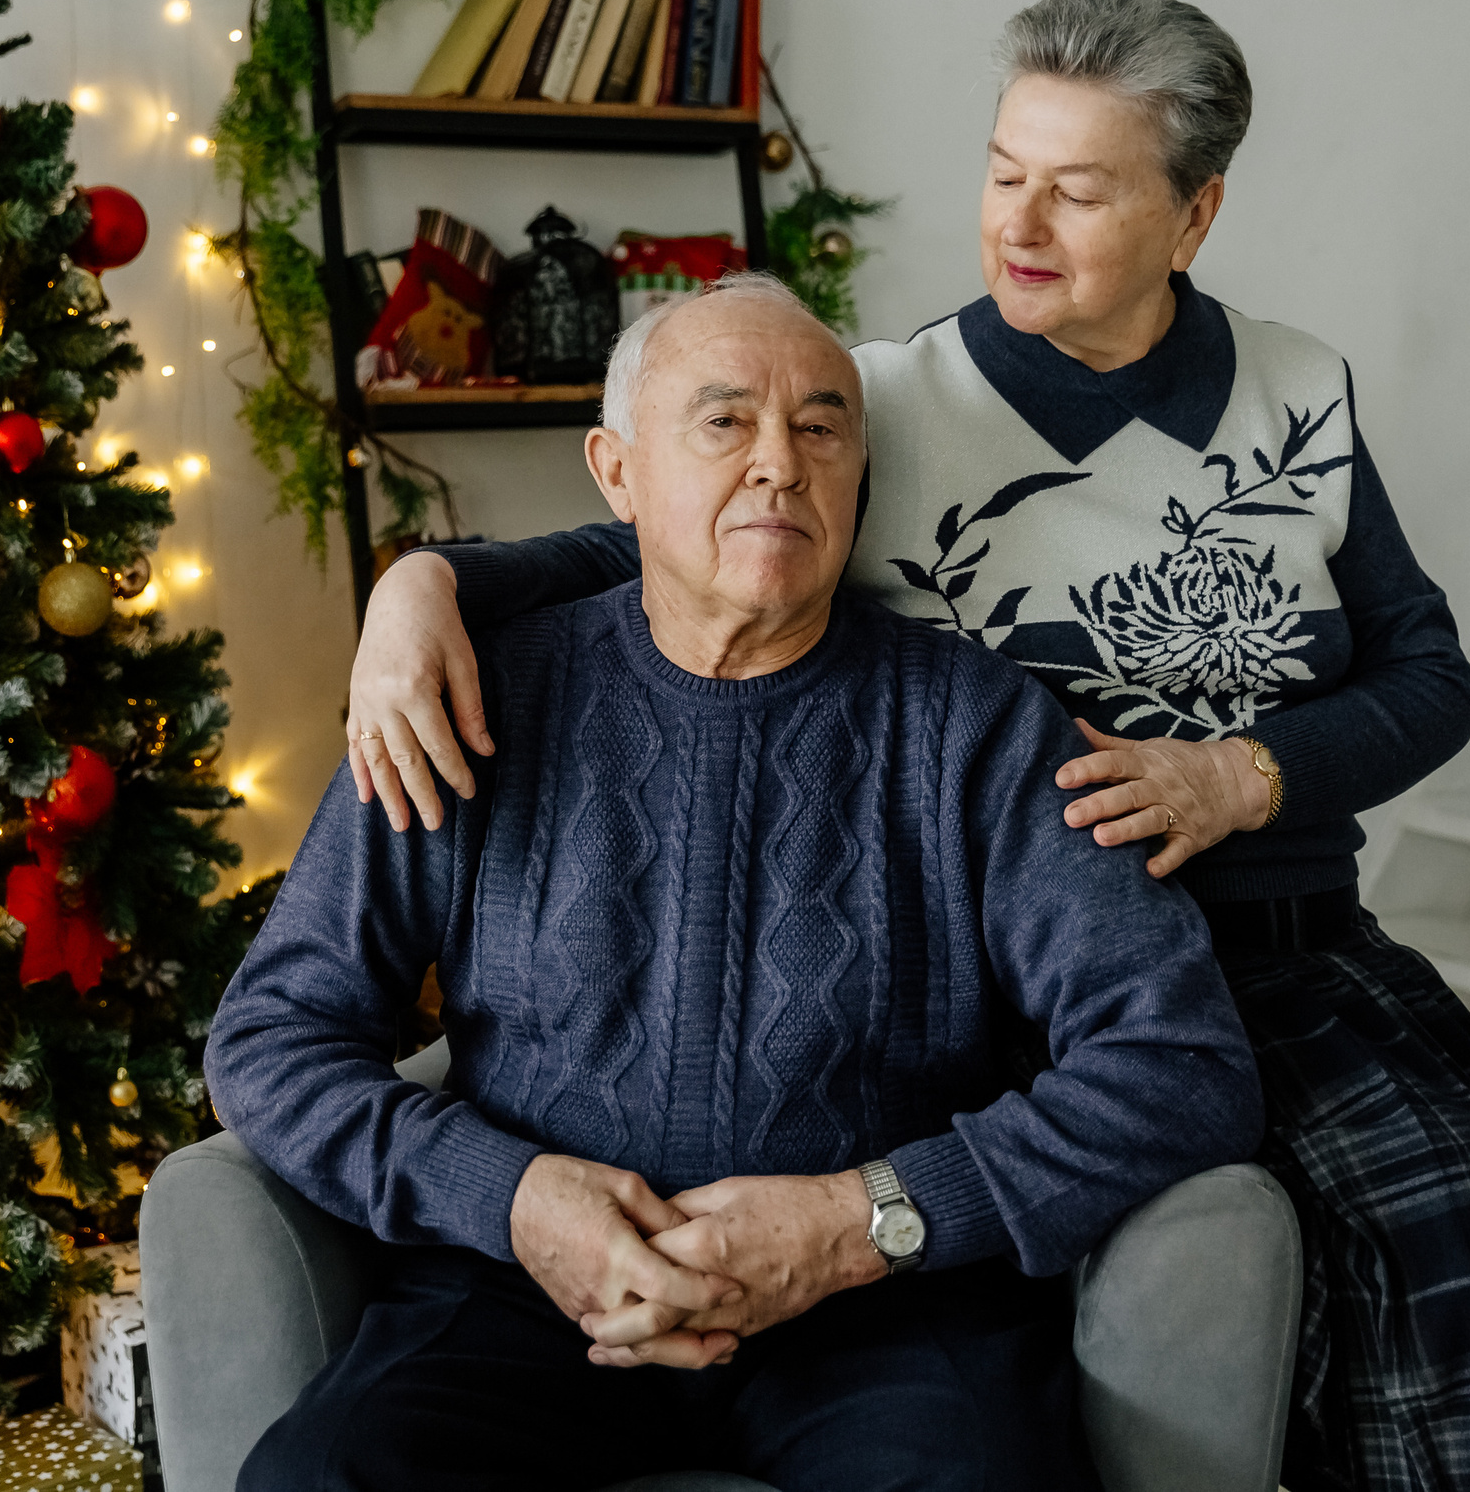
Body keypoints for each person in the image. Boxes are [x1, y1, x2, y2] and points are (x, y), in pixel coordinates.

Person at [346, 0, 1470, 1492]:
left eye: (1078, 188)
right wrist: (420, 583)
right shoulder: (876, 402)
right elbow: (660, 531)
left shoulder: (1296, 393)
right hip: (1009, 952)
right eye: (1005, 168)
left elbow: (1425, 672)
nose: (1022, 218)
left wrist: (1240, 774)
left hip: (1277, 939)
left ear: (1193, 214)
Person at [205, 275, 1262, 1491]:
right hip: (523, 1296)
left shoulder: (979, 730)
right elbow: (272, 1036)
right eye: (723, 421)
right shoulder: (473, 698)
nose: (779, 465)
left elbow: (1182, 1063)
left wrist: (858, 1223)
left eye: (821, 427)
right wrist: (509, 1198)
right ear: (616, 472)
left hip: (886, 1313)